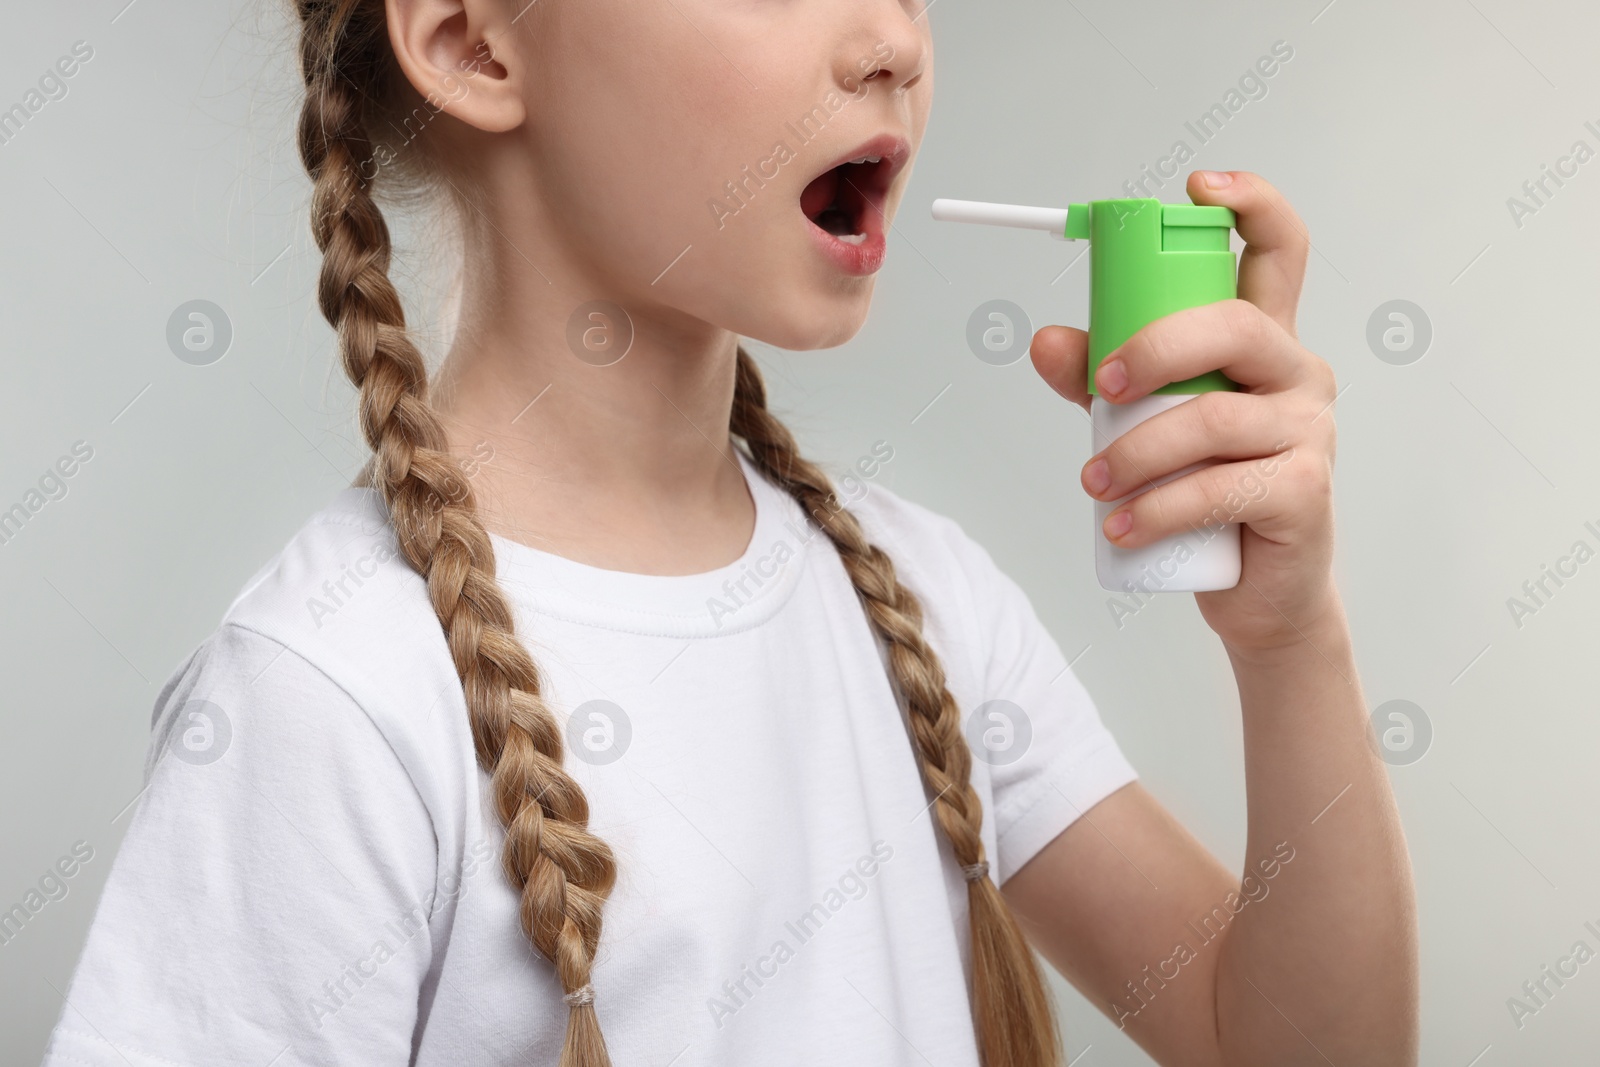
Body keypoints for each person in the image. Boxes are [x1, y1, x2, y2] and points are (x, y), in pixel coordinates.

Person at [39, 1, 1417, 1064]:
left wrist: (1288, 636)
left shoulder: (930, 605)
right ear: (473, 44)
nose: (892, 41)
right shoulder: (328, 697)